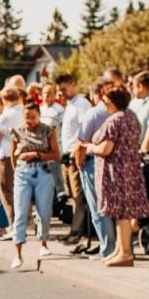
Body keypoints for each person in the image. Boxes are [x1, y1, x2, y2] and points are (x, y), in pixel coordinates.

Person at [85, 85, 148, 267]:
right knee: (122, 212)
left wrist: (91, 148)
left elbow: (106, 149)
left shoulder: (115, 120)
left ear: (113, 101)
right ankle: (120, 250)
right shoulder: (131, 117)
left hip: (117, 172)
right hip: (130, 169)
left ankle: (125, 253)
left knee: (122, 213)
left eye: (106, 100)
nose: (103, 103)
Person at [8, 102, 60, 269]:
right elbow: (13, 155)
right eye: (26, 117)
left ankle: (43, 242)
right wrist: (17, 170)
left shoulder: (48, 130)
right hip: (22, 172)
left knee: (44, 211)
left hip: (43, 171)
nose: (29, 121)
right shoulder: (16, 131)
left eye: (33, 117)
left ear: (39, 115)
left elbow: (56, 154)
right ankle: (18, 253)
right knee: (20, 212)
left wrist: (36, 154)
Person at [74, 85, 117, 259]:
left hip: (95, 162)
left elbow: (81, 142)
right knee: (117, 208)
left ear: (97, 94)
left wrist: (79, 162)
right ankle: (123, 248)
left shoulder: (93, 113)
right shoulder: (123, 113)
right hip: (118, 164)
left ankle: (107, 248)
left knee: (98, 208)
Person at [56, 74, 94, 250]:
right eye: (60, 90)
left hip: (75, 155)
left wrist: (79, 152)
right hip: (67, 156)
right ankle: (75, 229)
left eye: (64, 89)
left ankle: (79, 231)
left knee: (79, 196)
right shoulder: (70, 104)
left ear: (73, 84)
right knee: (73, 196)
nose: (62, 93)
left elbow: (86, 129)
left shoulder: (81, 104)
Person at [0, 87, 25, 235]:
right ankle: (24, 223)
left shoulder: (5, 116)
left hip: (5, 156)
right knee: (20, 191)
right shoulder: (24, 111)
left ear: (4, 100)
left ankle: (14, 226)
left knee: (7, 193)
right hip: (22, 155)